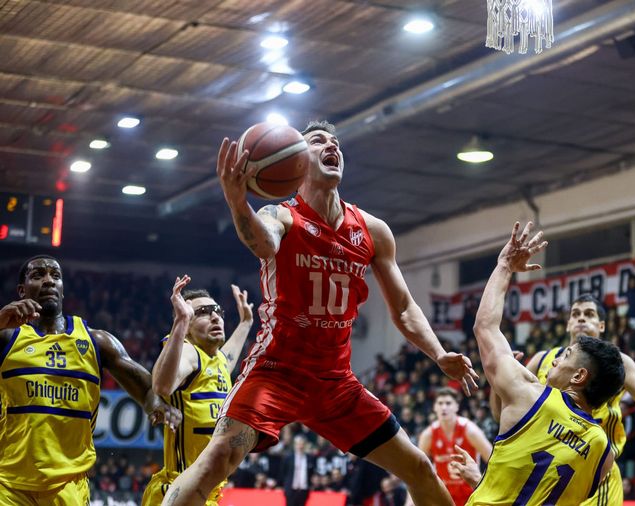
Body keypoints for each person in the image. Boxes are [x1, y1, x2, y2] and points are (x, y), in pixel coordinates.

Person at [162, 121, 478, 506]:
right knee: (216, 460)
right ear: (295, 160)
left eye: (336, 142)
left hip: (336, 384)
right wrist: (235, 198)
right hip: (277, 372)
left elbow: (405, 308)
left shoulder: (373, 230)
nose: (332, 146)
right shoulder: (281, 216)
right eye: (318, 142)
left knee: (419, 467)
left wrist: (439, 353)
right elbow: (261, 244)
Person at [0, 255, 181, 504]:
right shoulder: (7, 337)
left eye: (56, 275)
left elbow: (147, 389)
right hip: (9, 485)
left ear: (63, 289)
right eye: (38, 275)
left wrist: (157, 406)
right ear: (22, 290)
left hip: (68, 488)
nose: (49, 281)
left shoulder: (97, 341)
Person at [464, 222, 623, 505]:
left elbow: (485, 327)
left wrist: (504, 266)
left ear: (579, 376)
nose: (556, 360)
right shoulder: (603, 452)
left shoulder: (529, 393)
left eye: (565, 356)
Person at [523, 285, 635, 506]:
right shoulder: (542, 359)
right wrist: (499, 387)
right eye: (575, 314)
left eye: (589, 314)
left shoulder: (618, 362)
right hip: (545, 469)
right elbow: (504, 411)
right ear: (568, 323)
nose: (581, 319)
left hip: (596, 471)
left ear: (601, 325)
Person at [142, 276, 255, 505]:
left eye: (217, 310)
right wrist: (180, 323)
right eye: (202, 312)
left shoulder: (218, 361)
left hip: (207, 493)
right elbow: (162, 385)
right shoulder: (188, 353)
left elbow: (230, 354)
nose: (215, 316)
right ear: (188, 328)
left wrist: (245, 323)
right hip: (181, 490)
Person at [418, 387, 492, 506]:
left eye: (448, 403)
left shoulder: (470, 430)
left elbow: (492, 460)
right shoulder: (428, 435)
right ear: (434, 407)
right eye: (440, 403)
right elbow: (417, 471)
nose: (444, 407)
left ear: (456, 406)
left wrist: (489, 490)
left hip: (472, 495)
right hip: (444, 498)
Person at [280, 435, 315, 506]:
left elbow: (311, 473)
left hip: (304, 490)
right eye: (298, 444)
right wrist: (283, 486)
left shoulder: (310, 458)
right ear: (295, 445)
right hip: (291, 490)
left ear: (305, 445)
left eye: (302, 444)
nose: (300, 446)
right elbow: (283, 472)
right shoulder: (288, 458)